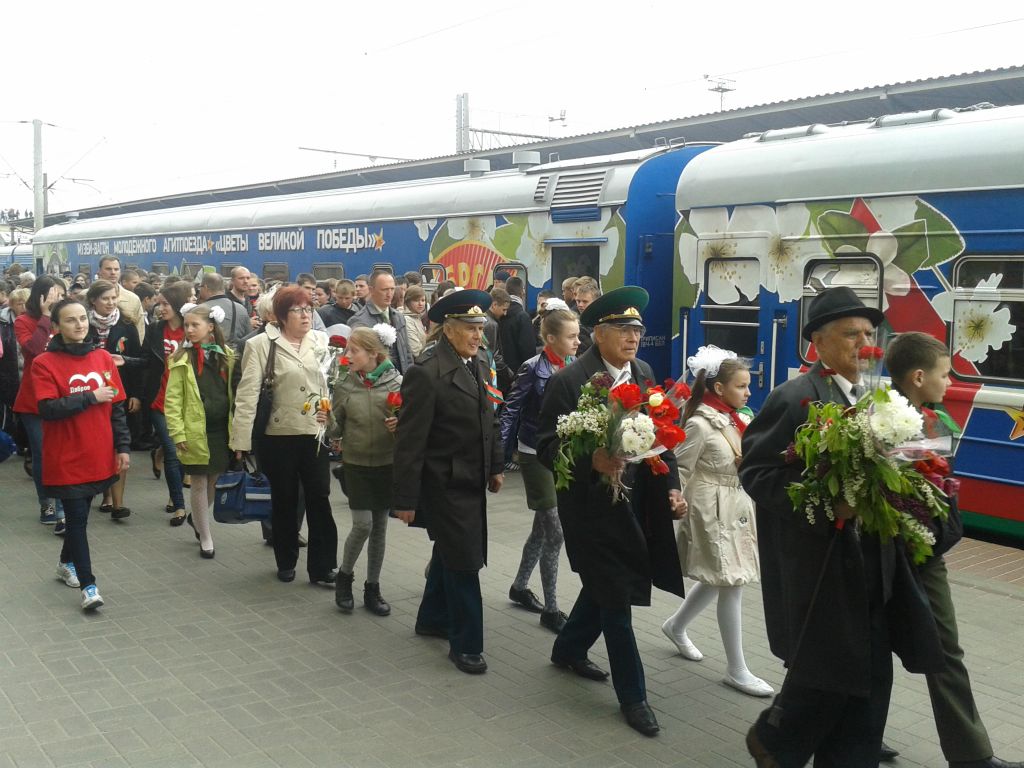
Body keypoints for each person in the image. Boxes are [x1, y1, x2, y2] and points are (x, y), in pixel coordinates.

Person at [739, 287, 944, 768]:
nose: (864, 343)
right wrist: (831, 504)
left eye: (869, 333)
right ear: (818, 342)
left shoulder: (881, 398)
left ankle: (793, 741)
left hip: (875, 566)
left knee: (867, 684)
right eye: (851, 334)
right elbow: (757, 472)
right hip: (822, 569)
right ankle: (777, 739)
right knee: (837, 674)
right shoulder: (795, 397)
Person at [535, 286, 686, 737]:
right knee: (616, 600)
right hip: (591, 512)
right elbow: (545, 447)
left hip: (636, 506)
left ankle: (568, 649)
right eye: (623, 329)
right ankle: (634, 698)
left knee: (604, 588)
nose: (633, 337)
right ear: (597, 334)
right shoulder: (568, 382)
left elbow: (664, 436)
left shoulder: (642, 373)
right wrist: (592, 460)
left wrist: (673, 489)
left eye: (637, 329)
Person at [882, 332, 1023, 768]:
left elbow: (938, 487)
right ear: (919, 376)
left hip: (926, 556)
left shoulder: (935, 421)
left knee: (944, 651)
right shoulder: (874, 419)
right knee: (867, 648)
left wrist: (944, 533)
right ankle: (838, 730)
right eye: (946, 374)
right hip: (884, 556)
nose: (950, 383)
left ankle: (971, 755)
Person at [392, 290, 505, 675]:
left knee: (450, 551)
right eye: (471, 329)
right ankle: (467, 644)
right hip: (445, 483)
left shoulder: (475, 363)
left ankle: (431, 618)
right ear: (449, 330)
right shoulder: (426, 373)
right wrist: (405, 499)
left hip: (472, 479)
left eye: (481, 328)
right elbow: (410, 441)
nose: (478, 335)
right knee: (464, 561)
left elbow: (490, 418)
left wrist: (496, 466)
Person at [660, 346, 773, 698]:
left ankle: (675, 626)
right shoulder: (699, 422)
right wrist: (673, 498)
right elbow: (678, 467)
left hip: (736, 504)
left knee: (723, 576)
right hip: (711, 509)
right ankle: (737, 669)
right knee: (731, 581)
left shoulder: (739, 417)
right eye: (741, 386)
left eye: (748, 385)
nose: (749, 391)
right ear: (720, 389)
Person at [231, 285, 338, 585]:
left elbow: (331, 384)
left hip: (314, 433)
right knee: (285, 500)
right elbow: (247, 394)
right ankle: (286, 559)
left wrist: (332, 416)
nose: (305, 315)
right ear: (280, 315)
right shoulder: (262, 345)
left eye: (309, 309)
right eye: (297, 310)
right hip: (278, 435)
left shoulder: (321, 340)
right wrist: (240, 441)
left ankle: (322, 566)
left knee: (320, 498)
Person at [33, 297, 130, 611]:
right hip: (66, 455)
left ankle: (65, 563)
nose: (79, 325)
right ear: (57, 326)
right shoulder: (44, 363)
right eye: (71, 320)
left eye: (82, 319)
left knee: (82, 516)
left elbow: (116, 407)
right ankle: (89, 586)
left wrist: (123, 447)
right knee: (76, 520)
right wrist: (90, 396)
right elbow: (47, 409)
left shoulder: (102, 358)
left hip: (98, 452)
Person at [499, 301, 578, 633]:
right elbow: (511, 411)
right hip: (534, 453)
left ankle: (519, 587)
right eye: (571, 337)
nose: (577, 342)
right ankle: (552, 608)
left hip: (563, 455)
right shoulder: (533, 367)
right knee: (556, 532)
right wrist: (498, 460)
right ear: (550, 339)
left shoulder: (575, 365)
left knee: (542, 527)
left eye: (578, 336)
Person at [330, 326, 402, 616]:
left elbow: (409, 427)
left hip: (387, 464)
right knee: (363, 525)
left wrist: (401, 426)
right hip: (356, 464)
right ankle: (344, 577)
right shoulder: (345, 384)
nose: (348, 356)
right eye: (347, 350)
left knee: (380, 528)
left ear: (373, 354)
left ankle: (373, 587)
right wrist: (325, 420)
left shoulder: (397, 382)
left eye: (354, 351)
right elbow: (336, 429)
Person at [164, 304, 234, 559]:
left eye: (196, 325)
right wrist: (177, 432)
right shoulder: (180, 359)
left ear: (211, 327)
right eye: (187, 325)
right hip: (194, 429)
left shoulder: (227, 355)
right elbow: (172, 400)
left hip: (220, 429)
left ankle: (198, 516)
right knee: (199, 482)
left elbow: (234, 392)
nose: (190, 330)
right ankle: (206, 535)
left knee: (214, 478)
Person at [84, 280, 145, 521]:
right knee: (101, 446)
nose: (110, 303)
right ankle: (105, 494)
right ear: (93, 301)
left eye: (113, 298)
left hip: (120, 392)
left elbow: (139, 361)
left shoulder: (126, 325)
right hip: (90, 392)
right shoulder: (83, 323)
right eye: (105, 299)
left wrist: (136, 394)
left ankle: (117, 503)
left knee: (120, 444)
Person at [14, 275, 67, 530]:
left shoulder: (66, 320)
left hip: (63, 397)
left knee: (61, 452)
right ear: (41, 295)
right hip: (33, 400)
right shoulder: (24, 321)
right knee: (42, 453)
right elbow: (34, 350)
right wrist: (46, 318)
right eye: (55, 294)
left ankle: (63, 501)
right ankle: (47, 502)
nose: (59, 298)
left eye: (62, 294)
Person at [143, 282, 192, 526]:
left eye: (165, 304)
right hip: (160, 400)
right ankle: (180, 506)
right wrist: (123, 361)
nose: (160, 308)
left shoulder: (192, 328)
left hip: (188, 402)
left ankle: (175, 493)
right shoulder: (154, 330)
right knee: (173, 452)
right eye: (158, 303)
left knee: (183, 452)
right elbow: (145, 360)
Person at [349, 270, 413, 373]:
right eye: (384, 290)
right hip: (376, 384)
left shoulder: (399, 317)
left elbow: (407, 353)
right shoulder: (359, 321)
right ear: (371, 290)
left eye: (392, 289)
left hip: (401, 381)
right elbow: (355, 358)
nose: (389, 294)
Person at [96, 256, 145, 343]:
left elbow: (140, 331)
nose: (113, 272)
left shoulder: (132, 299)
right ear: (99, 271)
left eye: (116, 269)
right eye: (108, 269)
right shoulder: (86, 296)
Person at [400, 285, 428, 358]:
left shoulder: (416, 316)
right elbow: (415, 350)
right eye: (416, 300)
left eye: (423, 300)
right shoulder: (407, 319)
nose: (420, 304)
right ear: (408, 301)